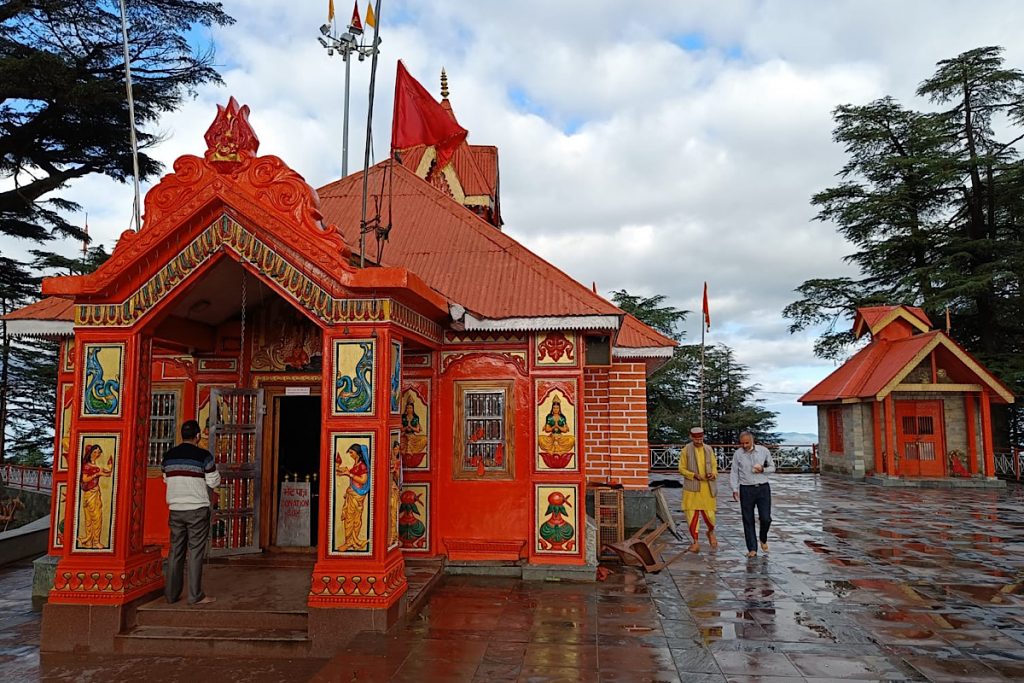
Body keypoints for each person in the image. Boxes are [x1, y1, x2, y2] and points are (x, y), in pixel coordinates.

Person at [161, 419, 220, 605]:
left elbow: (165, 479)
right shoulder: (204, 456)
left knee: (175, 551)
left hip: (176, 509)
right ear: (198, 436)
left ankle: (171, 595)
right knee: (195, 552)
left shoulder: (169, 456)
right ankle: (195, 596)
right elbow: (213, 481)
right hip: (197, 510)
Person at [730, 431, 775, 558]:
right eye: (742, 443)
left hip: (763, 487)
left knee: (766, 518)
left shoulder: (763, 451)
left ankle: (763, 537)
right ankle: (752, 548)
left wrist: (763, 469)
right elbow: (734, 472)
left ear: (752, 441)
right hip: (746, 488)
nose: (744, 445)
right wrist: (734, 489)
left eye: (747, 443)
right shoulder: (738, 454)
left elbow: (773, 467)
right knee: (748, 519)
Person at [678, 426, 718, 552]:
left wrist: (713, 474)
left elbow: (714, 465)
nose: (699, 441)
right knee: (692, 516)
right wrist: (693, 475)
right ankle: (695, 542)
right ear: (691, 437)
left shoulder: (708, 449)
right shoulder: (686, 450)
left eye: (700, 439)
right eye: (696, 439)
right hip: (692, 489)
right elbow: (681, 469)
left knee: (710, 516)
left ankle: (710, 532)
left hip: (707, 488)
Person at [335, 443, 370, 551]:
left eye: (351, 453)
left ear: (358, 453)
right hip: (352, 492)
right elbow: (349, 472)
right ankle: (351, 541)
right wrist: (340, 470)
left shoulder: (362, 465)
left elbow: (363, 480)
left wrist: (349, 474)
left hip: (357, 494)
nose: (350, 455)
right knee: (349, 518)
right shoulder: (356, 464)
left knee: (352, 519)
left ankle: (350, 542)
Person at [78, 444, 114, 548]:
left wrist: (109, 466)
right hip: (90, 493)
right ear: (90, 453)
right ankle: (94, 541)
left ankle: (90, 540)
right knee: (95, 518)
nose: (96, 454)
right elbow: (84, 479)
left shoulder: (96, 467)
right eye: (94, 452)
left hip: (94, 493)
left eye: (98, 452)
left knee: (91, 518)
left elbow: (107, 474)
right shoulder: (87, 466)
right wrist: (96, 474)